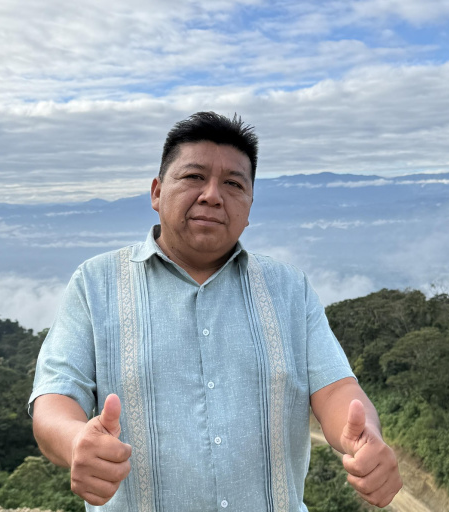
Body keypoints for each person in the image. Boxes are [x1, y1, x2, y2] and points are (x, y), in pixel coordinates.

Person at [29, 112, 402, 511]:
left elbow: (336, 389)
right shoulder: (95, 283)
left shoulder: (289, 288)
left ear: (249, 206)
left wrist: (365, 440)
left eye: (233, 184)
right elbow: (55, 398)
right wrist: (76, 442)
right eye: (194, 176)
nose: (212, 195)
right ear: (157, 192)